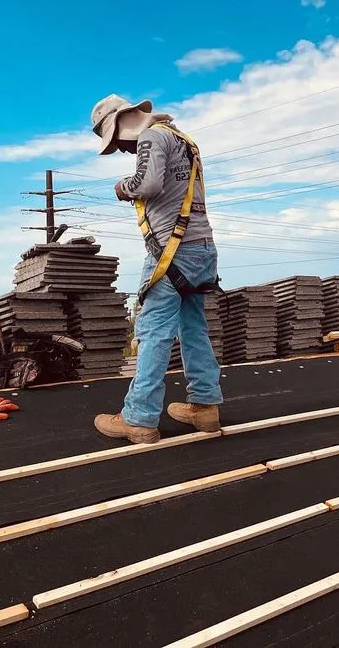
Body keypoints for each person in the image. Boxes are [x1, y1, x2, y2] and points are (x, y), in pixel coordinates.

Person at [89, 94, 223, 443]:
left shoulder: (151, 137)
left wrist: (122, 188)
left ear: (119, 123)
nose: (120, 150)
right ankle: (205, 407)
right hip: (201, 249)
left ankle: (138, 417)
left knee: (153, 333)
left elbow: (148, 184)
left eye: (115, 141)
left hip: (171, 252)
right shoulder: (182, 138)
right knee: (193, 327)